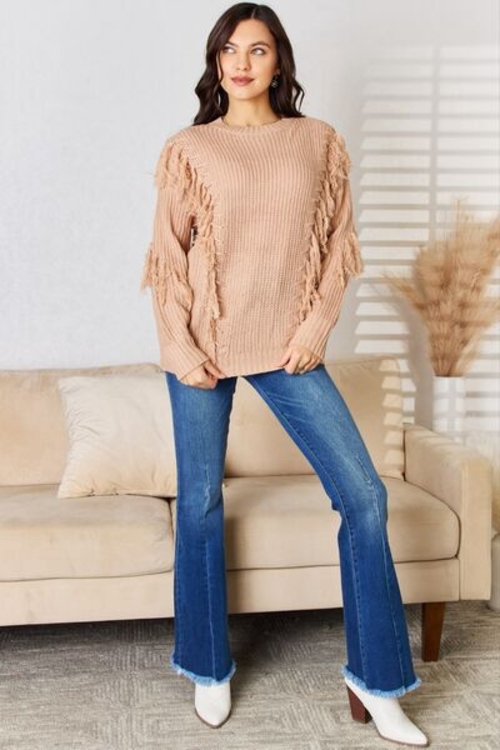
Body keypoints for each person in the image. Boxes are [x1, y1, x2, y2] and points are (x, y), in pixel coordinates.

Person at [140, 3, 429, 746]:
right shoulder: (189, 148)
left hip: (288, 344)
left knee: (364, 497)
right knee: (200, 503)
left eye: (258, 50)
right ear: (215, 62)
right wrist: (179, 346)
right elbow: (168, 257)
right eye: (229, 50)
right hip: (202, 347)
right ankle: (208, 664)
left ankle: (377, 680)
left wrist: (314, 326)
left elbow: (337, 245)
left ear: (279, 62)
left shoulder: (316, 141)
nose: (241, 63)